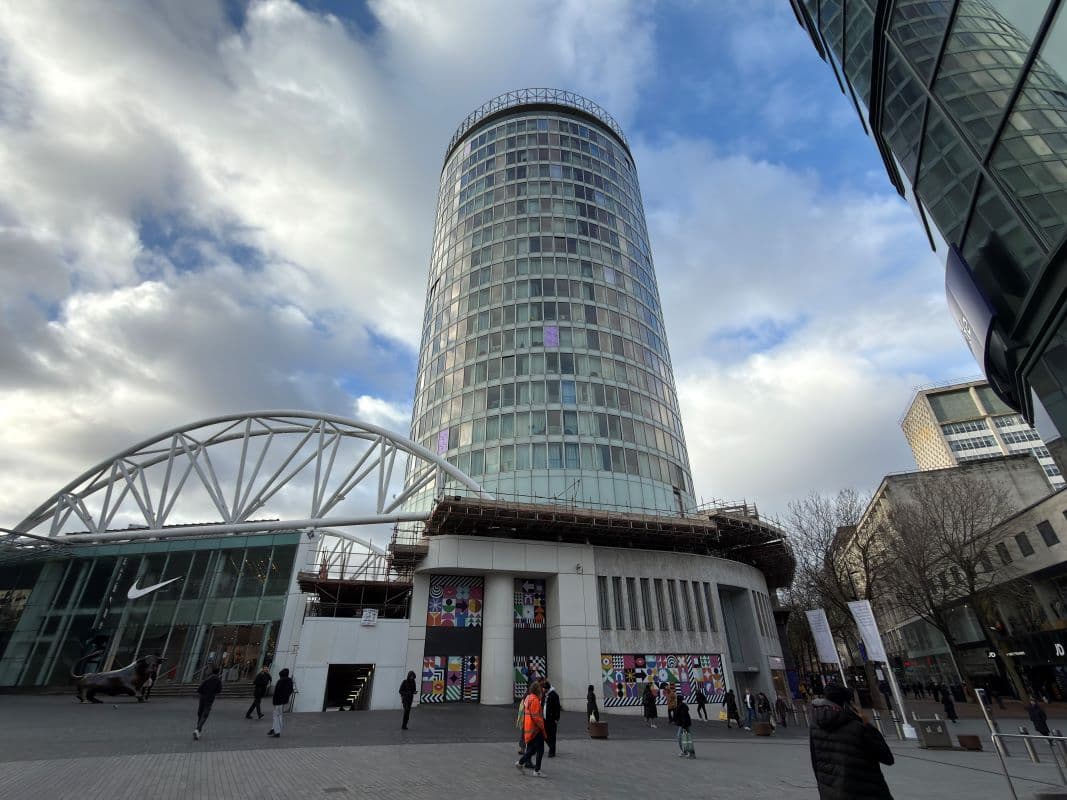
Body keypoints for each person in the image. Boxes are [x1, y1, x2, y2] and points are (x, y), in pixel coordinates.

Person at [810, 683, 895, 799]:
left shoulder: (815, 726)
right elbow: (887, 757)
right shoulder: (858, 726)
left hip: (832, 792)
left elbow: (815, 762)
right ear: (846, 703)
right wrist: (866, 723)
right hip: (866, 791)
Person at [516, 680, 547, 777]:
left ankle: (520, 763)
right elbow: (536, 717)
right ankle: (537, 771)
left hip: (529, 729)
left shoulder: (528, 699)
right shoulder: (535, 701)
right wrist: (542, 727)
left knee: (531, 750)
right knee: (540, 750)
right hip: (536, 730)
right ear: (538, 690)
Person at [194, 665, 222, 741]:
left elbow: (200, 688)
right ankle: (197, 729)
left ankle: (198, 731)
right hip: (210, 699)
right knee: (205, 715)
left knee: (200, 713)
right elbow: (219, 690)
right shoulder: (218, 680)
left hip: (202, 697)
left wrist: (201, 693)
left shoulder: (207, 678)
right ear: (218, 672)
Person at [268, 668, 294, 738]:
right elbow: (290, 690)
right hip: (283, 701)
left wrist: (276, 701)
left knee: (277, 716)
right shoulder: (289, 681)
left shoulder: (281, 681)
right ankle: (273, 729)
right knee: (277, 715)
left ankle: (277, 732)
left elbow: (277, 692)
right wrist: (286, 697)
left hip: (279, 701)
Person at [543, 679, 561, 757]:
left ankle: (552, 751)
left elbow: (557, 708)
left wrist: (556, 718)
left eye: (544, 688)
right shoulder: (545, 695)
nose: (543, 690)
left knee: (552, 735)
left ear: (547, 688)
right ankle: (551, 746)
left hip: (552, 719)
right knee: (544, 734)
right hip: (544, 718)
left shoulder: (554, 695)